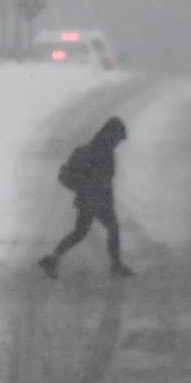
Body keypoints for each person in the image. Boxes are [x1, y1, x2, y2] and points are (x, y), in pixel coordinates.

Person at [38, 116, 134, 278]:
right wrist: (102, 197)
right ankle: (115, 266)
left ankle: (53, 259)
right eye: (119, 138)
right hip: (94, 198)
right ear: (113, 134)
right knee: (111, 228)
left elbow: (101, 178)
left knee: (80, 232)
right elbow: (102, 179)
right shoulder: (103, 151)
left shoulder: (98, 147)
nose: (119, 142)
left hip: (87, 198)